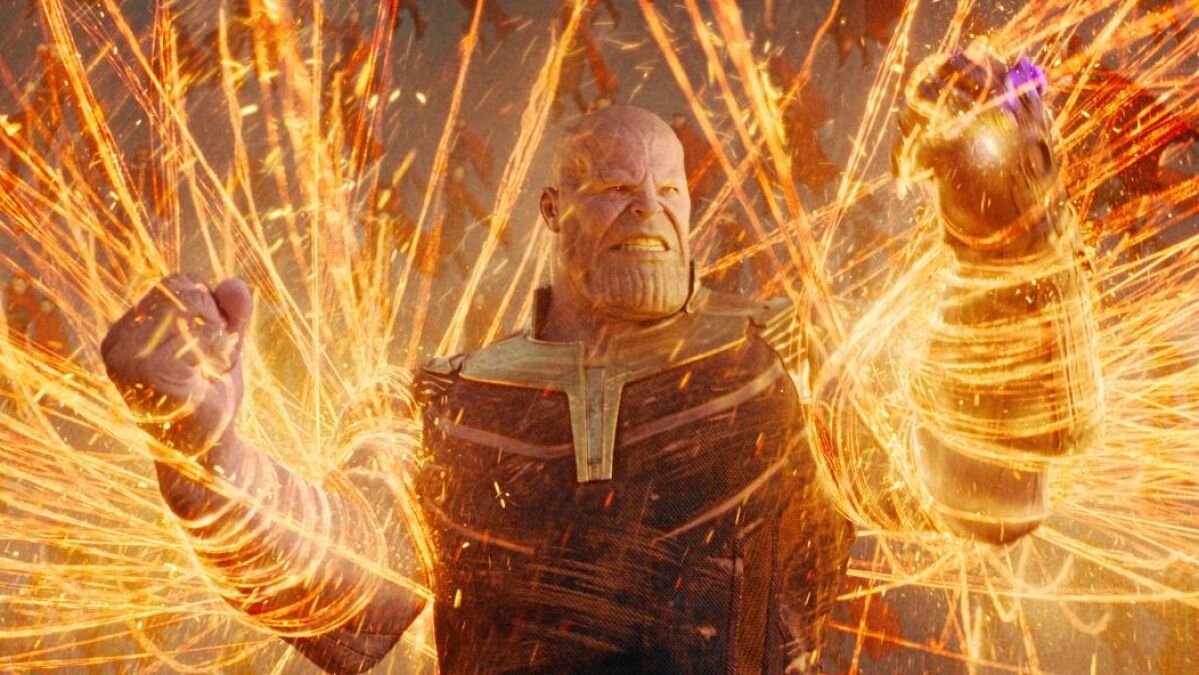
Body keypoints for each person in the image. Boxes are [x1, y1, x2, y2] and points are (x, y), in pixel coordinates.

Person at [100, 48, 1099, 674]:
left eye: (669, 194)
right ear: (551, 211)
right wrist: (204, 463)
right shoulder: (440, 402)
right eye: (616, 189)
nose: (648, 212)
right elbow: (345, 598)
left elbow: (988, 489)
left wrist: (1009, 250)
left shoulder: (782, 369)